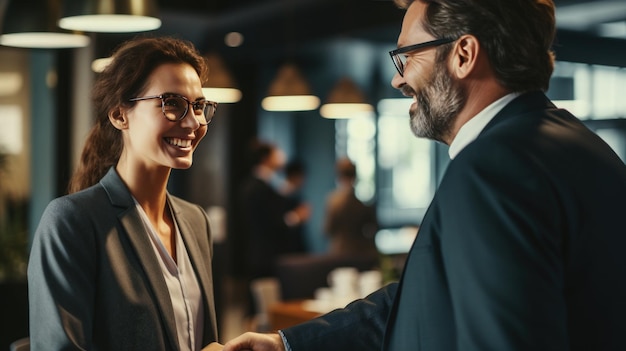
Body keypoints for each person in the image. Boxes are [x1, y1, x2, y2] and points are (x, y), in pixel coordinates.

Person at [223, 0, 626, 350]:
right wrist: (287, 344)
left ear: (464, 54)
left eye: (408, 55)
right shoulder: (582, 147)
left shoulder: (492, 168)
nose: (399, 78)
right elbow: (427, 297)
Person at [28, 36, 223, 350]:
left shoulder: (195, 221)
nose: (193, 122)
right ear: (120, 115)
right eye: (172, 103)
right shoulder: (72, 221)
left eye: (199, 106)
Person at [323, 157, 378, 258]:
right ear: (355, 176)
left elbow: (327, 230)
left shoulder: (333, 201)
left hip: (338, 252)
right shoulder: (362, 203)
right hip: (359, 252)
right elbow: (372, 228)